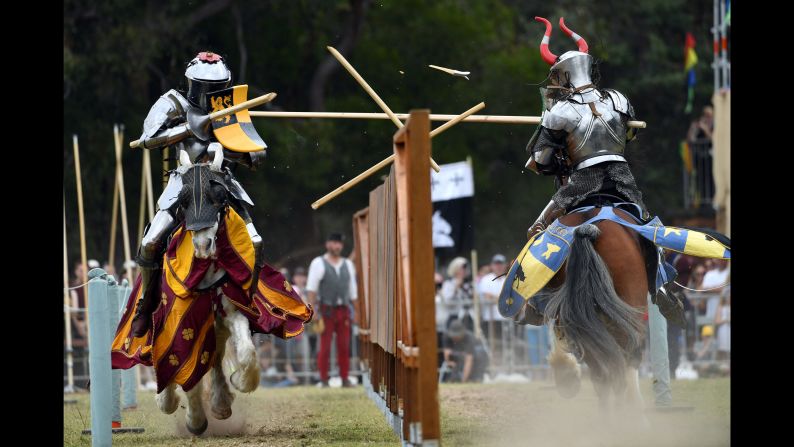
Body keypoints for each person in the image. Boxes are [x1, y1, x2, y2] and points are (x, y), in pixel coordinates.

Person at [522, 16, 682, 323]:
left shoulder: (559, 111)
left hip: (581, 181)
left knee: (536, 232)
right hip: (621, 178)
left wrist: (557, 154)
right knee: (648, 229)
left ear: (562, 76)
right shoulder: (618, 100)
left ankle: (534, 304)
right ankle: (663, 289)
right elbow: (629, 135)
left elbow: (541, 162)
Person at [129, 51, 267, 338]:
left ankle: (249, 302)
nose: (210, 93)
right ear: (192, 83)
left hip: (221, 180)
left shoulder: (230, 107)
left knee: (255, 241)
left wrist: (229, 146)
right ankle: (146, 303)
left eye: (216, 88)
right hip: (184, 180)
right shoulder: (172, 102)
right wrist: (190, 127)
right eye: (205, 87)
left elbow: (256, 155)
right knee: (151, 241)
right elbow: (148, 139)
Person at [306, 233, 358, 387]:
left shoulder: (348, 264)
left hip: (343, 310)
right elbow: (311, 289)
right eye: (334, 243)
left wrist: (358, 311)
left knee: (344, 345)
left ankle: (344, 377)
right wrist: (312, 310)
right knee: (325, 346)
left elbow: (352, 291)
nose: (336, 246)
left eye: (339, 243)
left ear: (341, 246)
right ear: (328, 244)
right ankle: (323, 378)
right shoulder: (318, 263)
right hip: (326, 310)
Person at [477, 254, 508, 356]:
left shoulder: (509, 279)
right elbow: (487, 297)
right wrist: (504, 300)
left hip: (506, 319)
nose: (498, 266)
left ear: (505, 265)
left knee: (506, 346)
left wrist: (498, 299)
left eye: (500, 264)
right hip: (490, 319)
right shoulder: (486, 279)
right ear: (492, 265)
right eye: (496, 264)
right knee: (492, 346)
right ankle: (494, 368)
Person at [440, 257, 474, 331]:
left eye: (465, 268)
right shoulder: (448, 284)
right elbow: (447, 301)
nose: (464, 270)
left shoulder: (469, 284)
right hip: (454, 317)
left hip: (468, 317)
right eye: (462, 268)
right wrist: (456, 288)